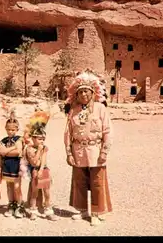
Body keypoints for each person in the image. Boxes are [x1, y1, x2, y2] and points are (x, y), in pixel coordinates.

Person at [64, 71, 113, 226]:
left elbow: (107, 131)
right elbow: (67, 133)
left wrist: (105, 151)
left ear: (92, 93)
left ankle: (97, 212)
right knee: (79, 181)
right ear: (77, 95)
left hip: (95, 151)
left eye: (86, 91)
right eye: (81, 92)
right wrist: (69, 153)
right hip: (78, 151)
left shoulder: (100, 108)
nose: (84, 94)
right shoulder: (73, 110)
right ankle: (82, 210)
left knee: (97, 182)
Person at [25, 111, 58, 221]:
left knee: (47, 192)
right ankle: (33, 210)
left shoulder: (44, 148)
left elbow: (43, 160)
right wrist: (38, 151)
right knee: (34, 192)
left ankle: (48, 210)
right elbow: (34, 162)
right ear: (33, 138)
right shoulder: (29, 149)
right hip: (35, 170)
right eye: (39, 139)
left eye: (43, 139)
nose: (41, 141)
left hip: (43, 170)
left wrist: (42, 169)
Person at [0, 115, 24, 218]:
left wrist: (7, 151)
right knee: (9, 186)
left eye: (13, 129)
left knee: (17, 187)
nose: (10, 132)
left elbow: (18, 152)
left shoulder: (19, 139)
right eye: (8, 129)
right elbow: (1, 152)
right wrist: (12, 149)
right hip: (7, 165)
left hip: (16, 165)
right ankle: (11, 204)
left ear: (17, 129)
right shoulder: (3, 140)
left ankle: (19, 205)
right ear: (5, 129)